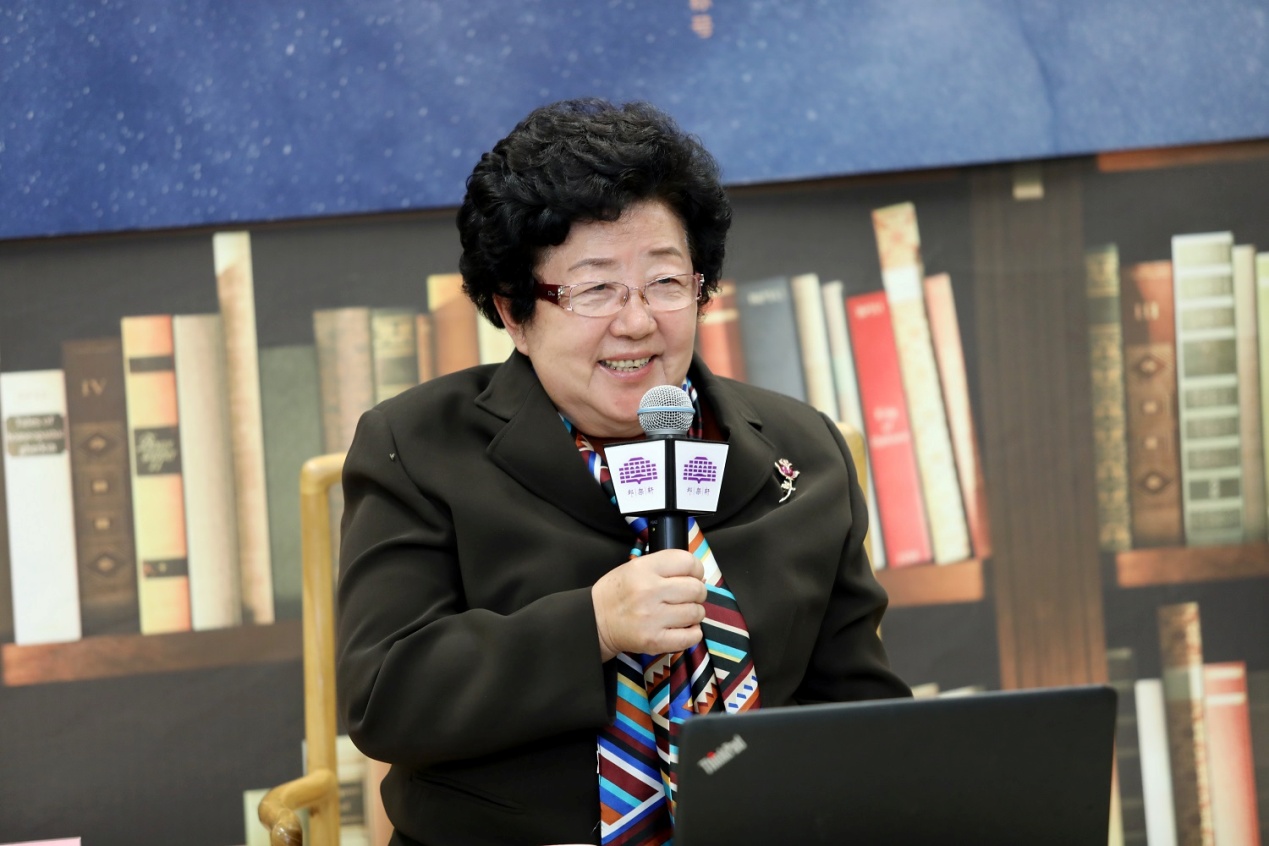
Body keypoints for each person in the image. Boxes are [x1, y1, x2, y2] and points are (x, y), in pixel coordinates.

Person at [336, 98, 910, 846]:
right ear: (514, 312)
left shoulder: (803, 448)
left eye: (666, 282)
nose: (637, 322)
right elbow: (385, 697)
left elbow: (864, 716)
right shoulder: (417, 446)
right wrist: (593, 626)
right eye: (595, 288)